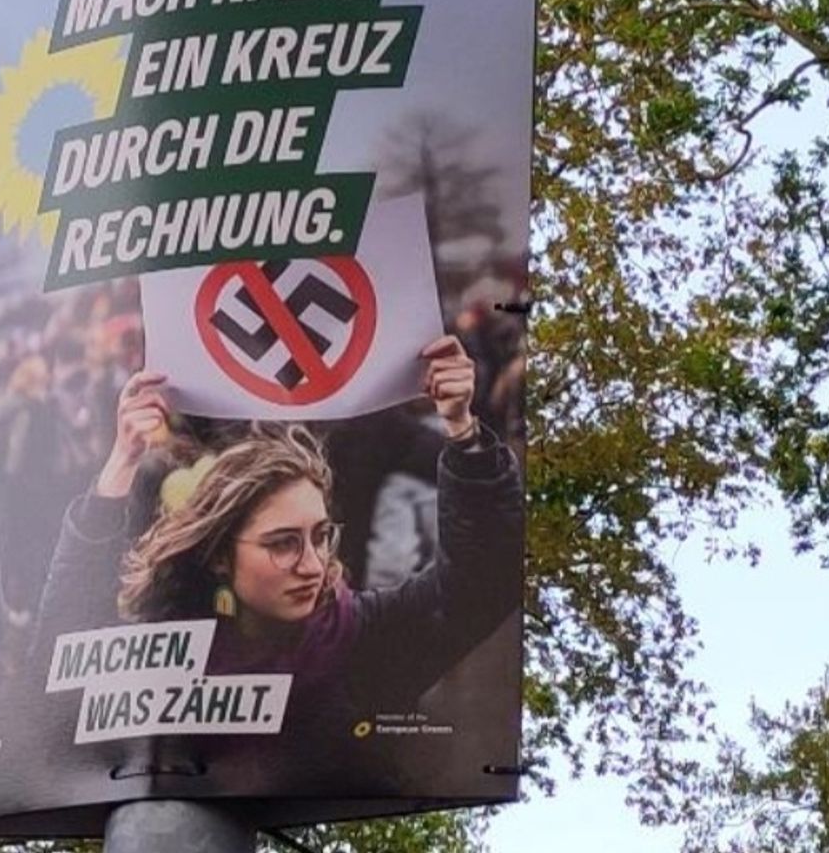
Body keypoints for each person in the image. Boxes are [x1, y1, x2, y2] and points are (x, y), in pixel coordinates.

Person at [33, 329, 523, 789]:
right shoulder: (160, 652)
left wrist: (463, 429)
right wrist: (120, 462)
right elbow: (63, 650)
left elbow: (480, 585)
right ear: (219, 556)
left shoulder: (362, 639)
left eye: (321, 536)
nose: (313, 565)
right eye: (283, 543)